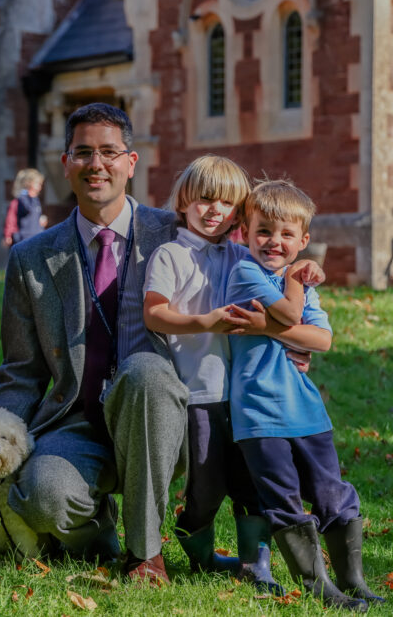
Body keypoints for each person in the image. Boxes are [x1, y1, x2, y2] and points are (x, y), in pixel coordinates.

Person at [0, 103, 188, 584]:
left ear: (131, 162)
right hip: (72, 421)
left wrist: (292, 311)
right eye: (82, 153)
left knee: (144, 371)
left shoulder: (176, 235)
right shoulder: (30, 257)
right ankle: (98, 533)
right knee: (42, 498)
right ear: (65, 164)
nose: (96, 164)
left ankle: (146, 552)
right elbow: (22, 370)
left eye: (108, 152)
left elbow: (243, 273)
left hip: (157, 418)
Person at [224, 179, 382, 612]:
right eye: (264, 232)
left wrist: (264, 327)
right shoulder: (246, 272)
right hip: (258, 413)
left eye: (286, 234)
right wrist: (297, 277)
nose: (274, 242)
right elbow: (294, 314)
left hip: (306, 410)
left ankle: (354, 581)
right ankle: (318, 587)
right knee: (284, 498)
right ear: (244, 233)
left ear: (303, 239)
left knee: (333, 493)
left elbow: (322, 340)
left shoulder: (300, 282)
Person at [142, 155, 285, 594]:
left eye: (226, 203)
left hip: (248, 391)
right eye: (205, 199)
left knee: (250, 477)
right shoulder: (171, 253)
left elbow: (279, 293)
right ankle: (196, 538)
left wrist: (302, 275)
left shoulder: (242, 255)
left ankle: (254, 563)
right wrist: (205, 322)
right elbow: (154, 313)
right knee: (207, 481)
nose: (214, 211)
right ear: (184, 201)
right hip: (199, 390)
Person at [3, 168, 48, 247]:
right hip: (24, 239)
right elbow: (11, 219)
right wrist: (8, 235)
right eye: (38, 184)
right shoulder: (20, 200)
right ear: (29, 183)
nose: (40, 187)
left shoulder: (36, 200)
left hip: (37, 237)